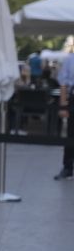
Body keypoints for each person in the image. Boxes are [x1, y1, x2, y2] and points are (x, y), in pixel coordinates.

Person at [56, 51, 74, 181]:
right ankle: (67, 167)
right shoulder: (70, 59)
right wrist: (63, 105)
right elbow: (63, 82)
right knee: (71, 134)